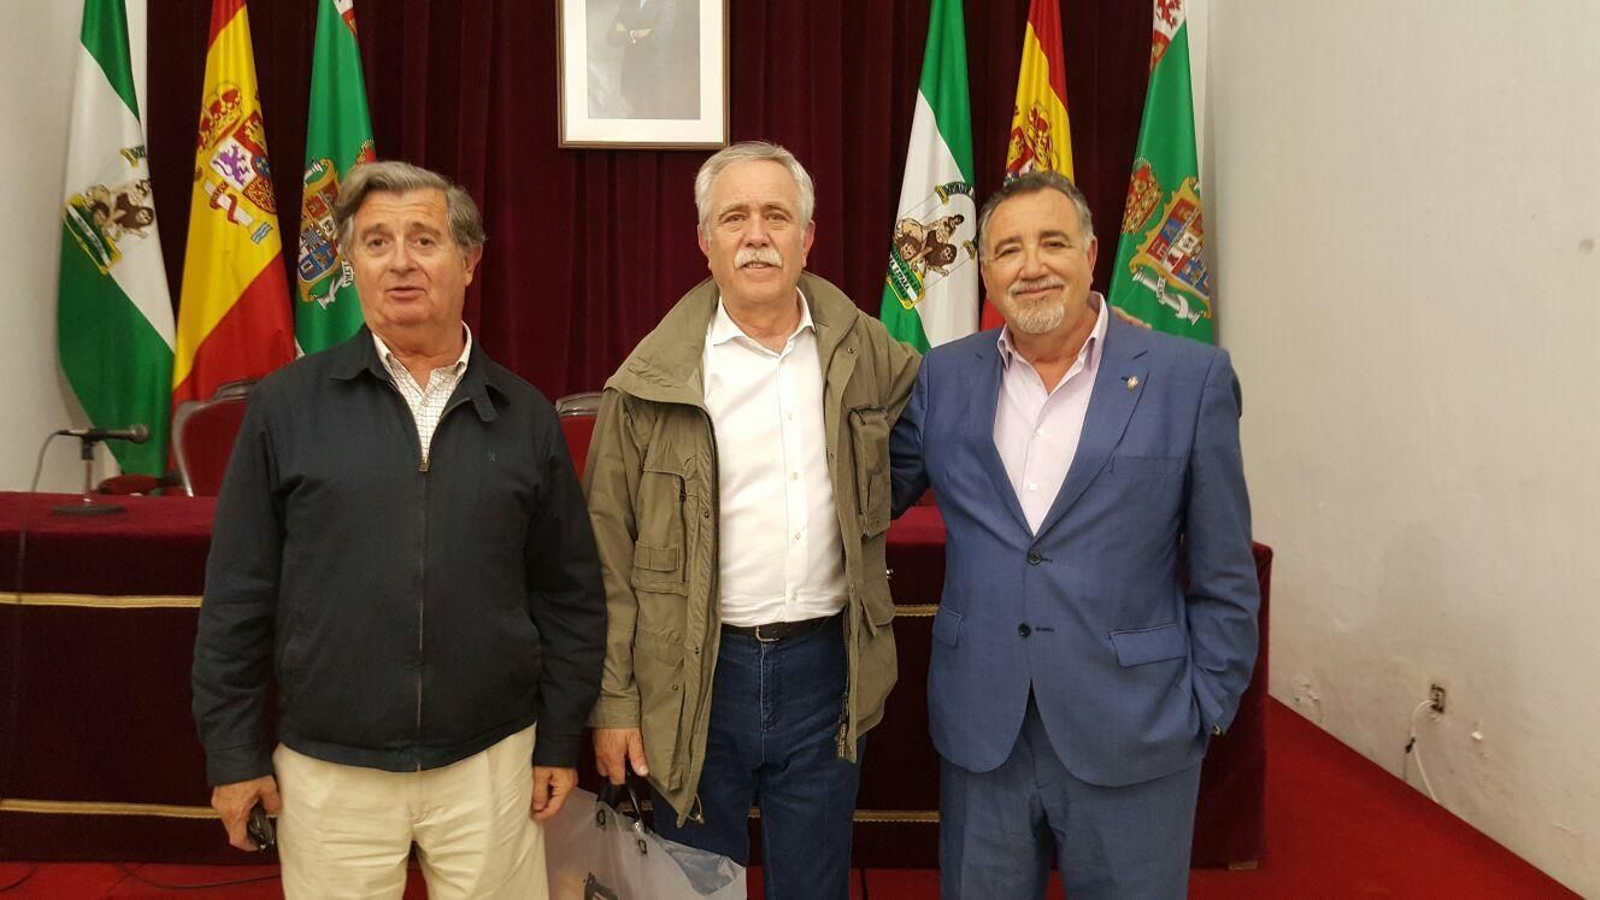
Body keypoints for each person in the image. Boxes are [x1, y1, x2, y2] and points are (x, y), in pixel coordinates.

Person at [191, 160, 607, 899]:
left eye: (425, 239)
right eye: (377, 242)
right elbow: (237, 596)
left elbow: (569, 595)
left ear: (470, 260)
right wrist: (232, 753)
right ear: (351, 263)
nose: (401, 262)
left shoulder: (525, 416)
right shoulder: (286, 407)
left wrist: (557, 737)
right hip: (329, 773)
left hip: (493, 767)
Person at [889, 170, 1260, 899]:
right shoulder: (942, 378)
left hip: (1136, 728)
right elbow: (865, 495)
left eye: (1052, 242)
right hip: (982, 729)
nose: (1032, 265)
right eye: (1008, 250)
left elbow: (1224, 570)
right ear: (987, 272)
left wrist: (1205, 707)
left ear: (1092, 254)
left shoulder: (1192, 378)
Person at [583, 140, 919, 899]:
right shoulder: (646, 384)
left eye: (776, 214)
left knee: (815, 883)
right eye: (734, 217)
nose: (756, 234)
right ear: (705, 241)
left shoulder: (868, 352)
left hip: (825, 672)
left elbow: (932, 430)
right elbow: (604, 558)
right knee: (693, 885)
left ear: (809, 235)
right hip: (695, 676)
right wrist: (614, 703)